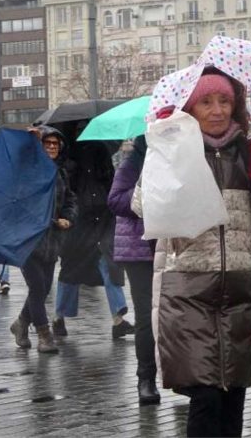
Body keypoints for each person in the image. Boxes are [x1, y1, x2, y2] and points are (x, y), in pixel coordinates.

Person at [137, 68, 251, 437]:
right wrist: (166, 148)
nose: (217, 110)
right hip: (188, 288)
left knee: (234, 395)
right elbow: (142, 205)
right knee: (205, 396)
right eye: (206, 101)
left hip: (240, 287)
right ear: (191, 106)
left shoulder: (245, 154)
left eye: (225, 101)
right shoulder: (175, 146)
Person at [52, 138, 134, 339]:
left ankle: (118, 318)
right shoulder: (69, 160)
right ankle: (59, 316)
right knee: (72, 269)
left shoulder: (96, 154)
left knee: (108, 264)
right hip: (79, 224)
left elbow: (110, 185)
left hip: (101, 221)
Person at [9, 126, 77, 353]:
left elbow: (70, 200)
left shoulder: (61, 173)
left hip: (52, 239)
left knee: (44, 288)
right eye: (47, 144)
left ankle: (20, 323)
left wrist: (68, 218)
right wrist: (31, 141)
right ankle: (44, 335)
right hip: (27, 237)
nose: (51, 147)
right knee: (37, 287)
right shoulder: (29, 169)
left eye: (55, 144)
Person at [107, 135, 160, 405]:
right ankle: (146, 379)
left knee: (179, 316)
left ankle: (183, 377)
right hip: (139, 251)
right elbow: (115, 201)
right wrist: (145, 184)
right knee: (146, 315)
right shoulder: (131, 164)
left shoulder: (179, 159)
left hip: (173, 244)